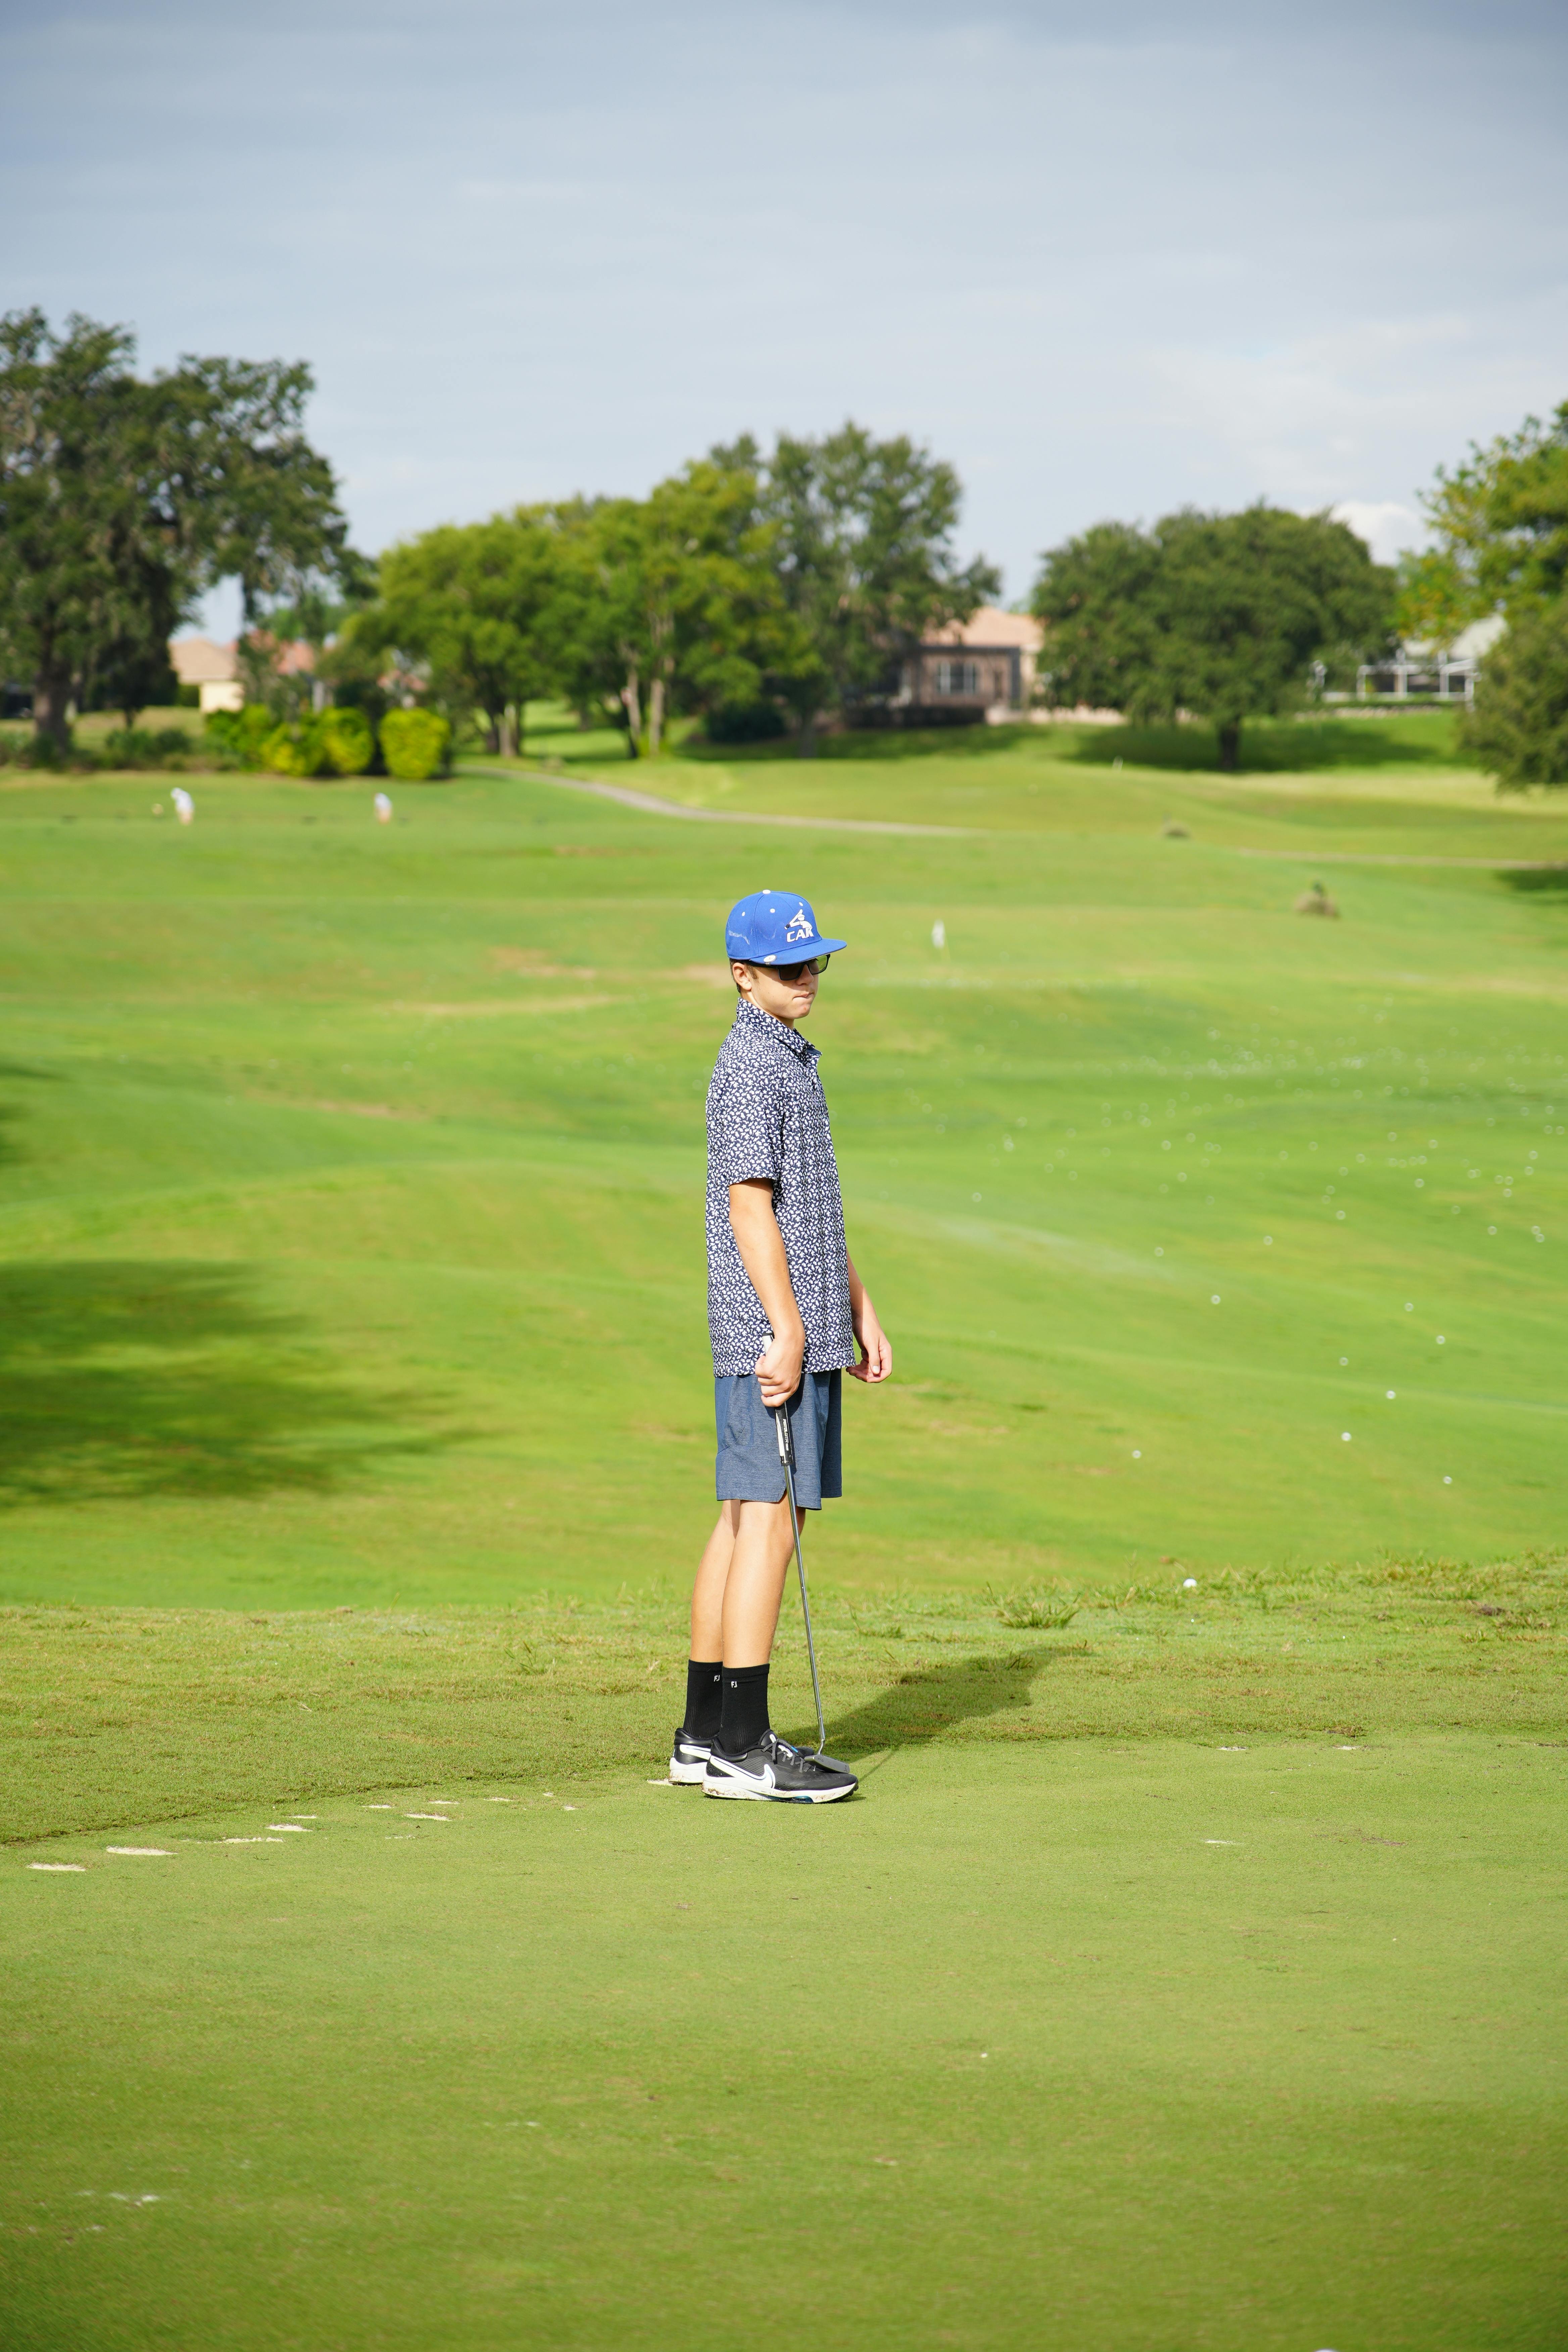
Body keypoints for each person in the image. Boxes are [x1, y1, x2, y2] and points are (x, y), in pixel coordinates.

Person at [670, 889, 892, 1802]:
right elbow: (750, 1206)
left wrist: (858, 1306)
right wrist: (795, 1329)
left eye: (814, 964)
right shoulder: (753, 1068)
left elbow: (811, 1210)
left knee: (744, 1515)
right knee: (769, 1519)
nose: (806, 980)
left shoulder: (785, 1060)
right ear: (741, 974)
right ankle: (744, 1746)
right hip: (771, 1328)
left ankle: (704, 1733)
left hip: (798, 1318)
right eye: (787, 967)